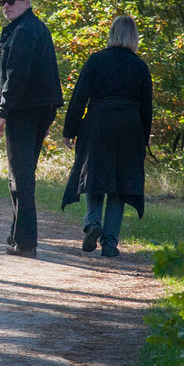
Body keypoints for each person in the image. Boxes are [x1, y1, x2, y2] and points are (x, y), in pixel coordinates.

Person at [61, 15, 153, 258]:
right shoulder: (140, 66)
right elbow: (147, 107)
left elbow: (79, 97)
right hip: (130, 126)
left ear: (111, 33)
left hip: (98, 122)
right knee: (120, 185)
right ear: (134, 37)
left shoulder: (96, 60)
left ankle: (93, 223)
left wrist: (69, 130)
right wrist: (144, 138)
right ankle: (110, 244)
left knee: (95, 175)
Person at [0, 0, 63, 258]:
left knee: (19, 177)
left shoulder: (23, 31)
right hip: (38, 108)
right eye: (2, 1)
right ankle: (18, 234)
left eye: (11, 1)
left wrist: (2, 111)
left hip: (24, 110)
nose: (5, 6)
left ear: (26, 2)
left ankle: (26, 242)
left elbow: (15, 74)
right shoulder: (33, 28)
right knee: (24, 173)